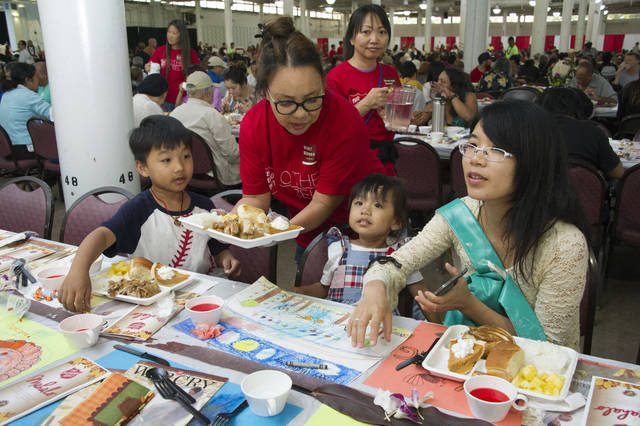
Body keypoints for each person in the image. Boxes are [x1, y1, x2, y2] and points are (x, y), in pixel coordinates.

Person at [348, 100, 588, 351]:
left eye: (496, 151)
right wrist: (376, 288)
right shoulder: (462, 214)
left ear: (533, 162)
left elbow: (548, 348)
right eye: (472, 145)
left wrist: (469, 305)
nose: (475, 159)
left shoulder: (564, 245)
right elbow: (394, 264)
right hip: (469, 355)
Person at [58, 115, 241, 313]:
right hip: (153, 304)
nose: (179, 167)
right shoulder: (138, 210)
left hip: (200, 299)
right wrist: (79, 269)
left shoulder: (204, 206)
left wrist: (226, 258)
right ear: (142, 168)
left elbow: (217, 248)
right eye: (166, 160)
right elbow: (101, 235)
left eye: (186, 156)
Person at [236, 16, 384, 258]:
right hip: (306, 228)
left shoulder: (344, 121)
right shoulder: (254, 125)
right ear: (265, 93)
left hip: (364, 231)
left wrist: (277, 231)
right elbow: (255, 198)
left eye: (313, 98)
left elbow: (324, 203)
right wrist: (230, 226)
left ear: (324, 84)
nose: (301, 113)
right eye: (286, 102)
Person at [291, 174, 428, 308]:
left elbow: (421, 295)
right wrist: (303, 292)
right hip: (337, 322)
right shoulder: (339, 249)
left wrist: (439, 325)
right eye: (359, 203)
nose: (365, 210)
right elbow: (324, 288)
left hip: (378, 324)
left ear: (396, 222)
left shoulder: (401, 254)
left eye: (378, 205)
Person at [326, 4, 401, 176]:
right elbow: (332, 127)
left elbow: (395, 119)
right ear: (352, 38)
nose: (374, 39)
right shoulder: (336, 77)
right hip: (353, 161)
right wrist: (366, 103)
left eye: (381, 32)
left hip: (386, 159)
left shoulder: (390, 73)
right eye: (366, 32)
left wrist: (398, 117)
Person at [171, 71, 241, 187]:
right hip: (216, 174)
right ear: (208, 92)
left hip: (185, 171)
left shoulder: (175, 113)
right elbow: (232, 154)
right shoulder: (212, 115)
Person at [538, 87, 623, 178]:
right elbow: (617, 172)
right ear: (576, 108)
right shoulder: (592, 132)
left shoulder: (529, 129)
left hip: (539, 189)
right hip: (584, 189)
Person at [0, 62, 51, 159]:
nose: (38, 80)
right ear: (28, 80)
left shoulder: (6, 95)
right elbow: (52, 115)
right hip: (25, 150)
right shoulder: (28, 95)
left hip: (8, 150)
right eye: (36, 77)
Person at [147, 20, 200, 111]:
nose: (170, 36)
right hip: (163, 100)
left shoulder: (190, 53)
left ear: (181, 35)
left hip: (184, 100)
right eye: (169, 32)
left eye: (174, 33)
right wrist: (148, 68)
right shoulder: (160, 51)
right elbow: (152, 70)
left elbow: (197, 76)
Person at [412, 68, 477, 128]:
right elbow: (422, 119)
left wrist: (451, 95)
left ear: (454, 85)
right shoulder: (439, 99)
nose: (438, 84)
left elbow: (468, 117)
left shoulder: (469, 96)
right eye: (438, 80)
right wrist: (416, 117)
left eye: (443, 82)